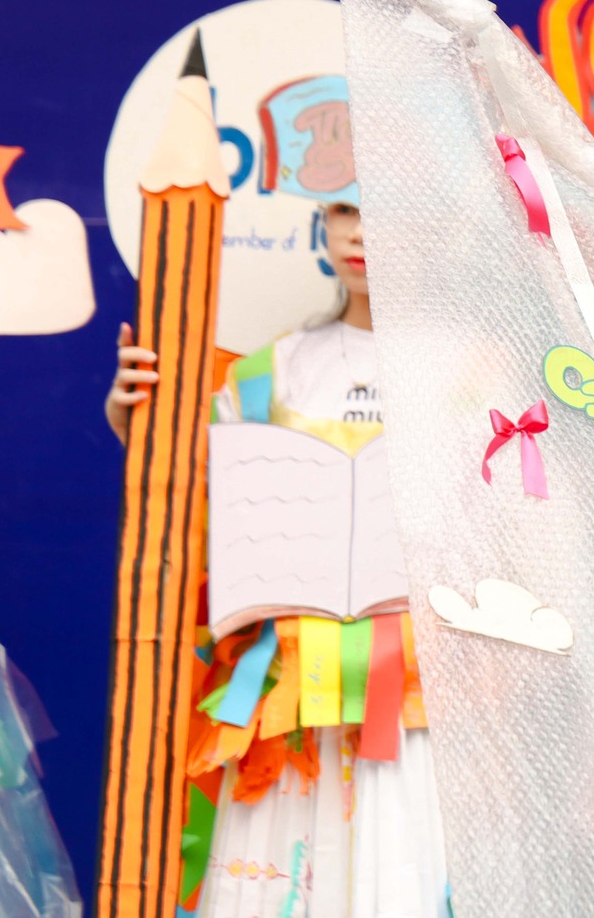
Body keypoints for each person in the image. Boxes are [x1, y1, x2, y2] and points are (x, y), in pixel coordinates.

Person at [108, 111, 449, 917]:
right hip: (288, 698)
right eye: (345, 208)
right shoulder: (268, 373)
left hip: (418, 704)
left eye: (381, 207)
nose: (360, 231)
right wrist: (136, 425)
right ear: (322, 220)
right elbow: (192, 510)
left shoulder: (471, 370)